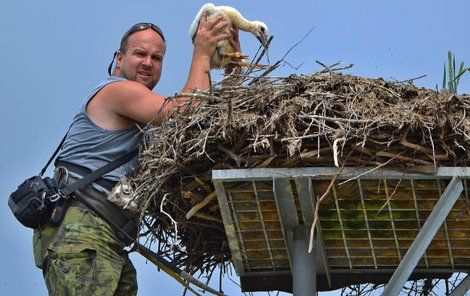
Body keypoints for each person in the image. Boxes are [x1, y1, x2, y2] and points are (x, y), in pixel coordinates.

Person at [32, 12, 239, 295]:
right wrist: (202, 52)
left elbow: (201, 127)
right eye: (140, 54)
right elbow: (183, 113)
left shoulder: (145, 124)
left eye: (156, 58)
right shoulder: (115, 92)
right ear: (119, 59)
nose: (148, 63)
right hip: (81, 234)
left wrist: (231, 69)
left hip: (107, 239)